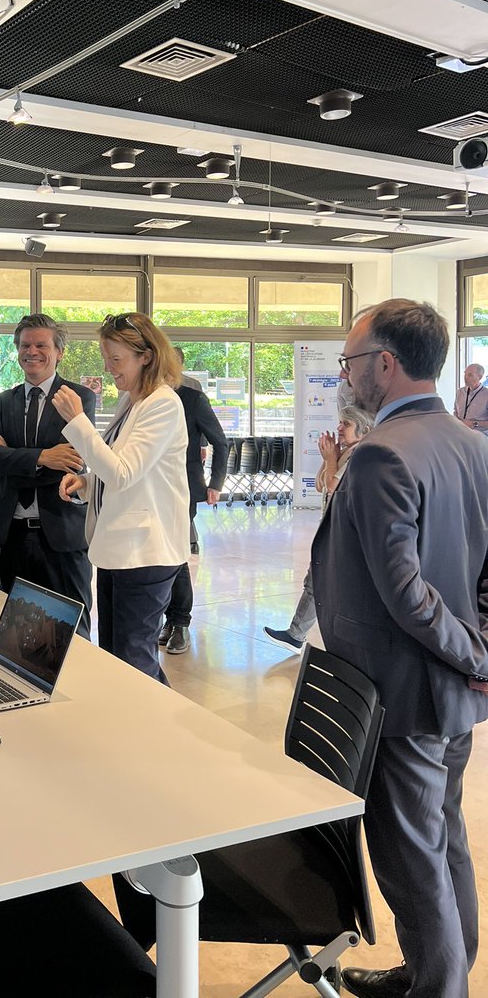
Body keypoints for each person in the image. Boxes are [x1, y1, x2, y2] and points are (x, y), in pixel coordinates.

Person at [312, 299, 488, 998]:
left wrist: (474, 655)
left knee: (412, 862)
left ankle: (439, 987)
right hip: (452, 694)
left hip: (399, 696)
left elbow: (405, 593)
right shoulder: (475, 444)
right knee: (442, 837)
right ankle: (439, 968)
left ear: (385, 363)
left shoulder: (381, 454)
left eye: (350, 361)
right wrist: (478, 652)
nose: (345, 374)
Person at [54, 313, 189, 683]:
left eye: (116, 359)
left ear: (146, 356)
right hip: (118, 548)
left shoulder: (162, 404)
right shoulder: (133, 402)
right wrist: (86, 483)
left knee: (133, 661)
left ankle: (153, 721)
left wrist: (77, 422)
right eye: (106, 358)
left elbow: (123, 474)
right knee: (118, 657)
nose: (108, 368)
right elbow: (119, 467)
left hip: (146, 552)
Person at [0, 314, 95, 628]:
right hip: (12, 535)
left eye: (41, 345)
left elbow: (72, 461)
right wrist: (44, 456)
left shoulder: (78, 397)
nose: (32, 351)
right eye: (25, 345)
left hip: (61, 534)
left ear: (59, 352)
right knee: (16, 631)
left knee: (72, 631)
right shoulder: (3, 401)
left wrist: (11, 455)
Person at [264, 404, 373, 655]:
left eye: (346, 424)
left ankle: (299, 635)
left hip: (344, 531)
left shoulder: (360, 454)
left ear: (364, 429)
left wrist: (331, 460)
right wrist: (329, 459)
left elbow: (335, 488)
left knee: (320, 581)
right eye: (340, 422)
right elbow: (319, 485)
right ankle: (297, 634)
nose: (339, 428)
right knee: (317, 581)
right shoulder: (346, 452)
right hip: (333, 528)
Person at [158, 381, 229, 654]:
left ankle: (180, 622)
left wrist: (216, 483)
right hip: (150, 487)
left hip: (183, 488)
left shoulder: (193, 399)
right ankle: (170, 619)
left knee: (176, 554)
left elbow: (220, 442)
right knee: (161, 556)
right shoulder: (142, 395)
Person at [453, 361, 488, 432]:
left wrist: (474, 424)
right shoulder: (460, 392)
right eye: (465, 374)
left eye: (470, 375)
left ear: (479, 377)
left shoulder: (486, 395)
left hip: (479, 434)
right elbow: (455, 412)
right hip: (460, 432)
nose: (465, 377)